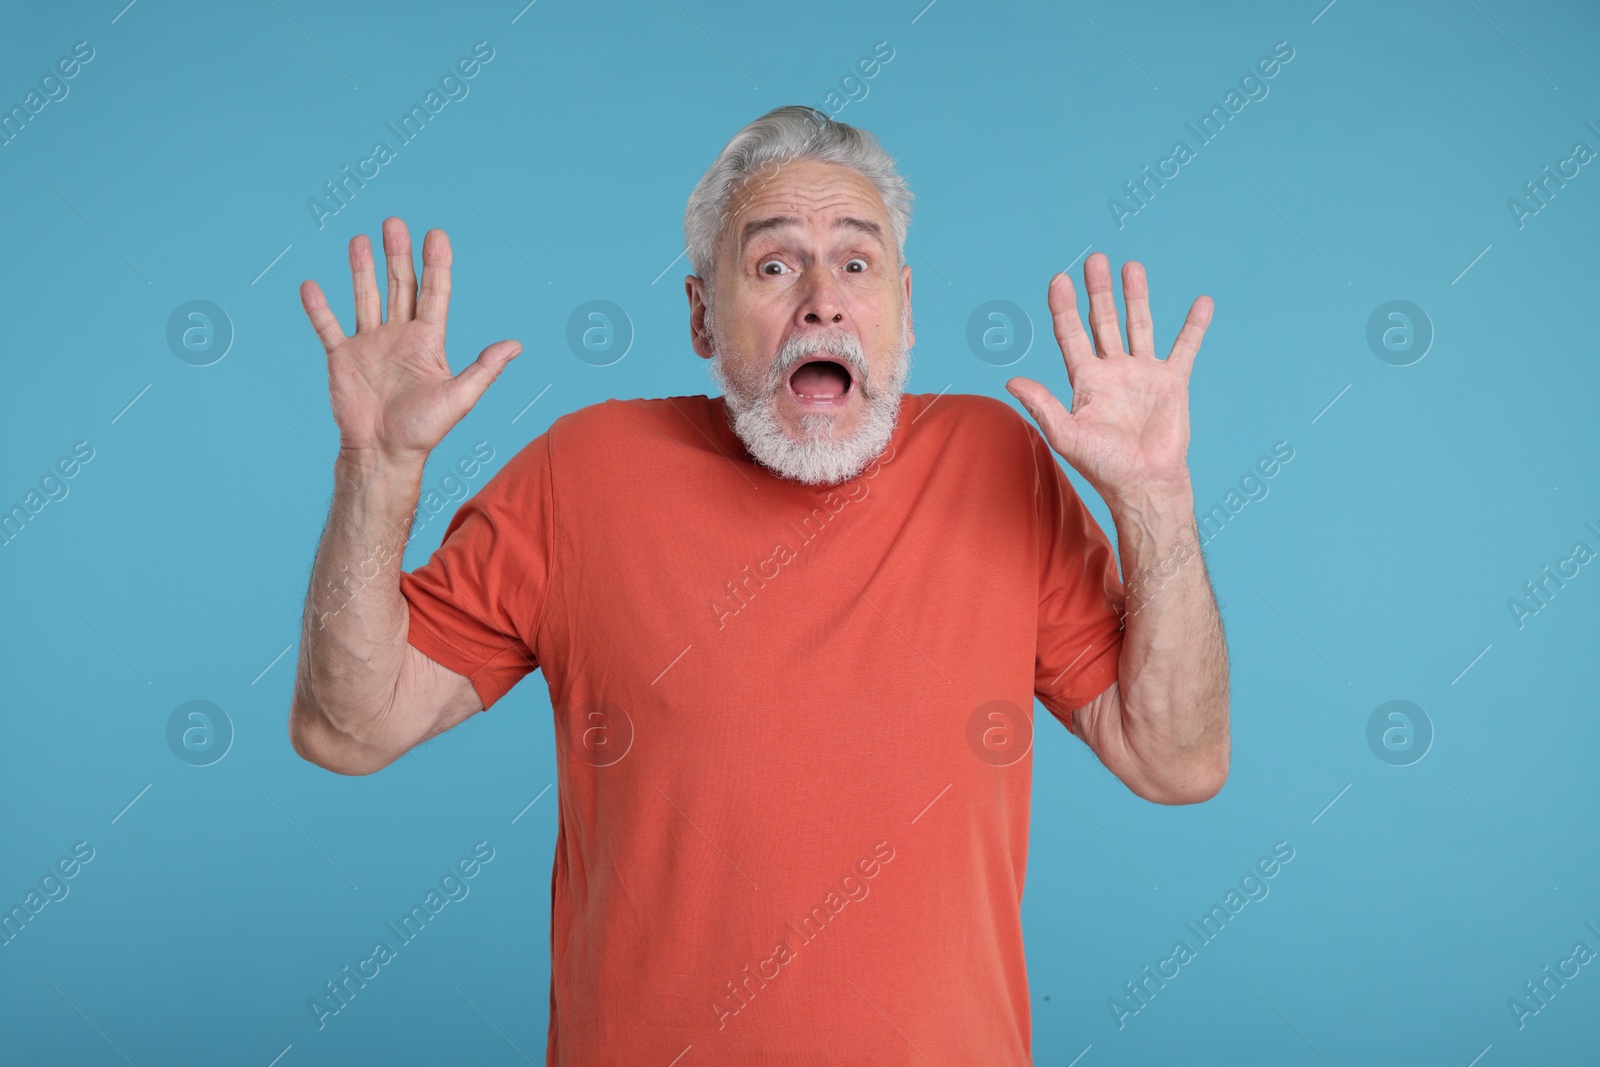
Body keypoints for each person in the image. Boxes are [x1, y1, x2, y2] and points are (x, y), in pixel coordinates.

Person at [288, 104, 1229, 1066]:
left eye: (856, 265)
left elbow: (1175, 759)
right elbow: (348, 726)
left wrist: (1155, 497)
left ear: (905, 306)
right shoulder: (583, 474)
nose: (822, 301)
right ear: (701, 315)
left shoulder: (998, 464)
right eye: (774, 265)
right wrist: (377, 469)